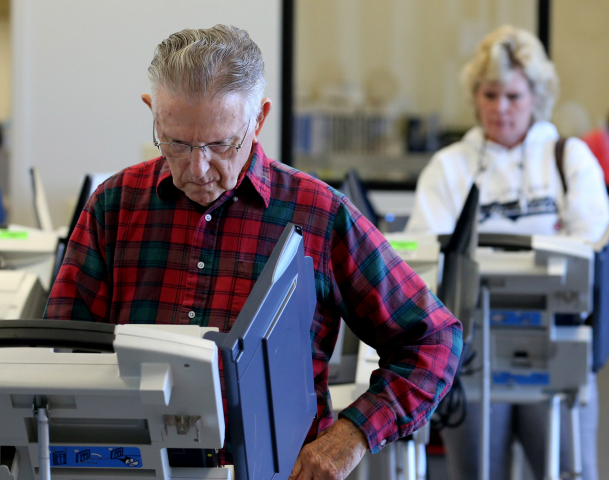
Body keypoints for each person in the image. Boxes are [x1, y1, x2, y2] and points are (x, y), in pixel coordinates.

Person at [44, 25, 462, 480]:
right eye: (177, 143)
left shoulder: (317, 213)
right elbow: (62, 355)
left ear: (258, 120)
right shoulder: (115, 205)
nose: (198, 168)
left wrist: (352, 437)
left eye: (221, 143)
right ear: (153, 113)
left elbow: (432, 340)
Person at [406, 26, 609, 480]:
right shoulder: (449, 166)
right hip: (472, 351)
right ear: (475, 96)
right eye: (490, 93)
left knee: (569, 471)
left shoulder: (569, 158)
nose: (501, 108)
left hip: (557, 342)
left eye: (513, 96)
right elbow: (425, 256)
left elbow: (593, 248)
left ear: (536, 96)